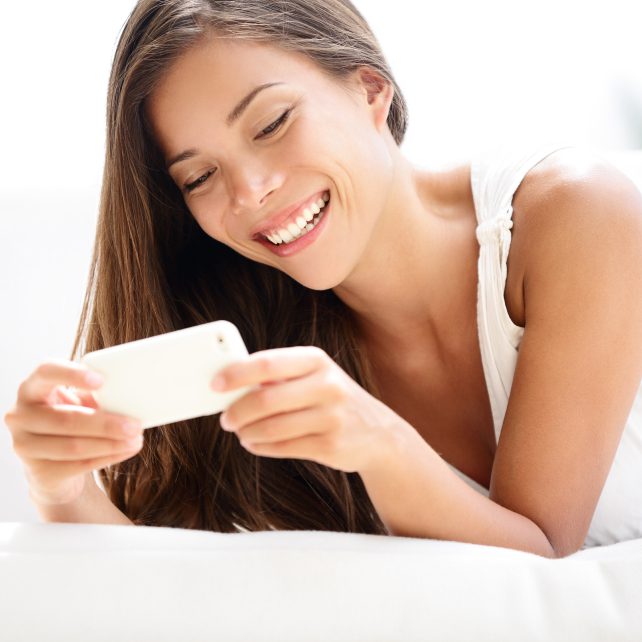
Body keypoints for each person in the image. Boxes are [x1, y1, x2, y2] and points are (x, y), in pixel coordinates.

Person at [4, 0, 642, 558]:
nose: (251, 193)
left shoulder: (574, 213)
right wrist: (61, 489)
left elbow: (544, 555)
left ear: (370, 89)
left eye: (272, 123)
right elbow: (164, 592)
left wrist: (381, 445)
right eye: (198, 177)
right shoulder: (264, 333)